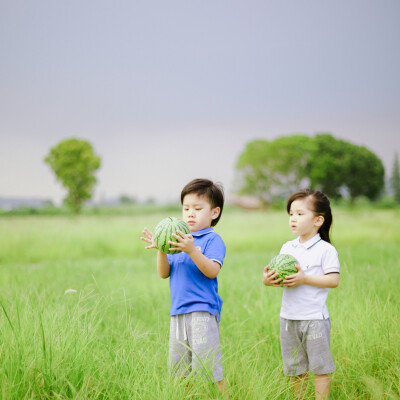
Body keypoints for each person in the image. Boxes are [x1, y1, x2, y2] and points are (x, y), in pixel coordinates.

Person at [141, 178, 229, 398]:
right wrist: (161, 248)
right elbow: (164, 273)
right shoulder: (177, 240)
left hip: (202, 312)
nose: (190, 213)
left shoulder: (212, 239)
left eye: (198, 209)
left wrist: (192, 250)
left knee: (209, 369)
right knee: (180, 372)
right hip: (178, 313)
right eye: (186, 208)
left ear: (214, 212)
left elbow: (211, 270)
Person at [263, 189, 340, 400]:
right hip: (288, 318)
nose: (293, 219)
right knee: (295, 369)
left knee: (320, 368)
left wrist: (305, 278)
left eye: (299, 214)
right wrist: (268, 280)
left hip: (314, 318)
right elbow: (276, 276)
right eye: (291, 214)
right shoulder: (288, 247)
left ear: (318, 220)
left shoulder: (325, 250)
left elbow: (333, 280)